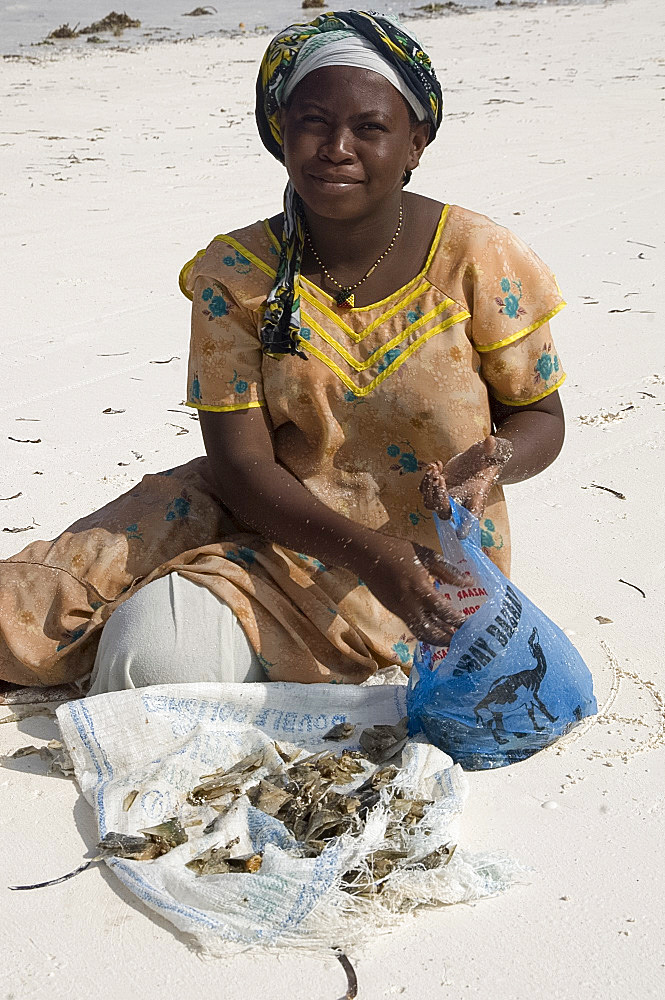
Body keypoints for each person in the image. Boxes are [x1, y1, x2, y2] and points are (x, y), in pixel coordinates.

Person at [0, 10, 565, 694]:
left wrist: (497, 461)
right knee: (127, 654)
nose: (335, 146)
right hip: (275, 534)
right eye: (314, 122)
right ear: (281, 132)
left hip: (433, 575)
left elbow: (540, 417)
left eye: (370, 127)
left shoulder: (478, 258)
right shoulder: (234, 275)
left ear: (415, 143)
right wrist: (370, 554)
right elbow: (239, 467)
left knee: (150, 668)